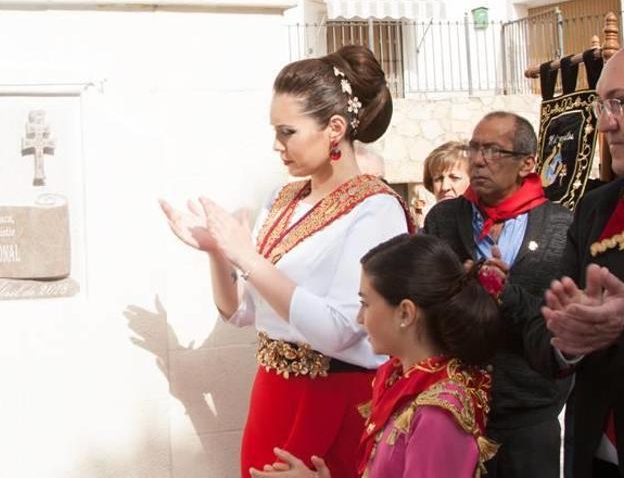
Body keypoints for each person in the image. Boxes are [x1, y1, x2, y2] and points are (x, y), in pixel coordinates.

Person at [160, 45, 411, 478]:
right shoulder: (283, 199)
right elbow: (239, 310)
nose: (277, 146)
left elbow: (339, 329)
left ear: (335, 128)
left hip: (333, 400)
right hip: (272, 395)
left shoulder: (377, 209)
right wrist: (219, 253)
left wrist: (250, 259)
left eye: (287, 132)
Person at [249, 233, 501, 478]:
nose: (360, 318)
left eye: (366, 303)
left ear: (405, 313)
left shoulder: (438, 415)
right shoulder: (401, 380)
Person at [423, 111, 573, 477]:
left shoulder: (561, 226)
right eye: (474, 148)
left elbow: (561, 320)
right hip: (454, 410)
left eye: (493, 150)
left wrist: (505, 294)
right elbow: (426, 300)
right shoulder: (443, 220)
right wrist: (463, 289)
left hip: (529, 414)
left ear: (527, 164)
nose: (478, 159)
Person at [521, 48, 624, 477]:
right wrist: (569, 339)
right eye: (603, 104)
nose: (605, 122)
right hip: (595, 454)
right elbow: (543, 330)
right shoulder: (595, 209)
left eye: (619, 102)